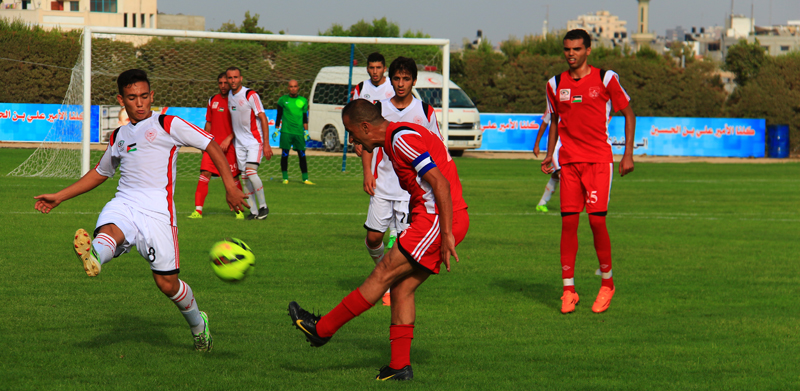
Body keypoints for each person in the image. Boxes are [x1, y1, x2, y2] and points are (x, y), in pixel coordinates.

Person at [33, 69, 248, 351]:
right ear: (121, 100)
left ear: (152, 96)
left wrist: (230, 186)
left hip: (159, 213)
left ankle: (199, 325)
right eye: (132, 98)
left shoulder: (167, 123)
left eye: (144, 96)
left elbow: (209, 144)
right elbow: (101, 172)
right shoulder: (118, 136)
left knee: (167, 284)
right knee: (110, 229)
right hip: (125, 202)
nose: (140, 103)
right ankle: (94, 254)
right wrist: (60, 197)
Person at [288, 99, 469, 381]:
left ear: (365, 127)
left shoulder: (400, 139)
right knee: (401, 289)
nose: (352, 140)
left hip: (439, 218)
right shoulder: (396, 138)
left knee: (383, 273)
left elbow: (440, 183)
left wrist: (446, 234)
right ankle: (400, 367)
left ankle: (321, 330)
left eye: (352, 133)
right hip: (437, 218)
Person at [541, 29, 636, 314]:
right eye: (567, 49)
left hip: (598, 162)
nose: (571, 54)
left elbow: (629, 114)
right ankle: (568, 290)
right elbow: (555, 120)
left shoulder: (606, 78)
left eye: (577, 49)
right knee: (568, 224)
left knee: (596, 222)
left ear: (588, 50)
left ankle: (607, 284)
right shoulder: (554, 84)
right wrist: (549, 154)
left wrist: (627, 155)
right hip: (569, 163)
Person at [358, 56, 442, 306]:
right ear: (391, 80)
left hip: (411, 191)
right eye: (397, 78)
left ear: (414, 81)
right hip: (383, 184)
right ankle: (385, 275)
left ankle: (390, 285)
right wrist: (367, 172)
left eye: (406, 79)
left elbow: (436, 147)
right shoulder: (379, 108)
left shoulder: (425, 111)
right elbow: (368, 143)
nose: (401, 83)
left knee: (403, 245)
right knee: (373, 238)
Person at [190, 72, 245, 219]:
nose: (223, 86)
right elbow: (208, 122)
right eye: (220, 83)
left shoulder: (237, 101)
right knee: (204, 174)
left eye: (225, 83)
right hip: (212, 146)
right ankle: (198, 211)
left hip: (230, 147)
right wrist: (204, 142)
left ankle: (239, 211)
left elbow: (241, 125)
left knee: (233, 179)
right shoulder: (213, 100)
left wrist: (229, 138)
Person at [226, 66, 273, 220]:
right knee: (245, 178)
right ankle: (253, 212)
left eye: (235, 77)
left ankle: (263, 207)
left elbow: (263, 118)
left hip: (254, 141)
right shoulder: (229, 96)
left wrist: (266, 144)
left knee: (251, 172)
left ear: (241, 78)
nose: (233, 80)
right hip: (239, 144)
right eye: (230, 78)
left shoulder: (250, 95)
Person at [273, 79, 314, 185]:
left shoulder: (303, 100)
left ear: (298, 87)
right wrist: (277, 129)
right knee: (285, 154)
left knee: (302, 155)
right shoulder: (283, 100)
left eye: (295, 86)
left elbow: (305, 118)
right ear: (288, 88)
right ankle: (285, 178)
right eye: (291, 86)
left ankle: (305, 178)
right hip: (286, 131)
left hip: (299, 132)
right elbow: (279, 115)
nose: (293, 88)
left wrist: (306, 131)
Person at [532, 108, 560, 213]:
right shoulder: (553, 106)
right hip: (556, 146)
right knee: (562, 174)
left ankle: (542, 203)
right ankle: (570, 205)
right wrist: (536, 144)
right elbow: (544, 124)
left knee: (555, 176)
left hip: (568, 144)